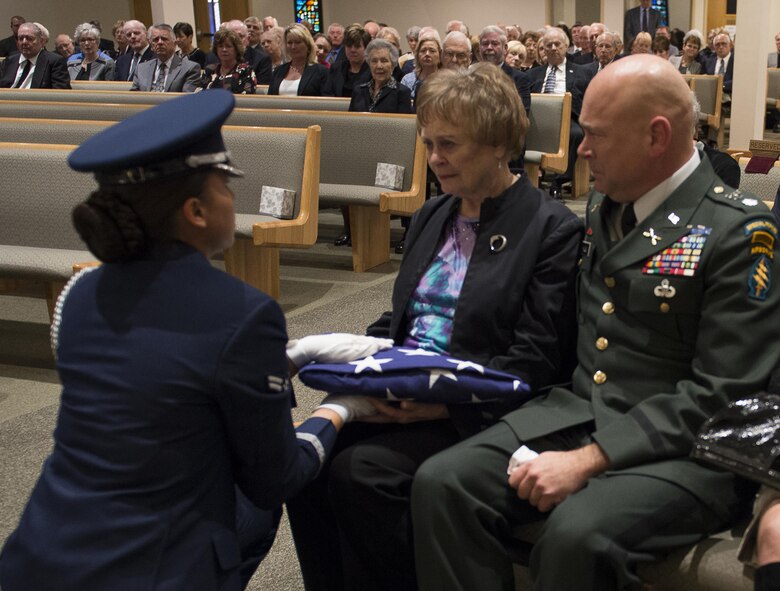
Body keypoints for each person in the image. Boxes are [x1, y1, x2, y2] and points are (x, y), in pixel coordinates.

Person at [412, 53, 780, 591]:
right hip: (581, 409)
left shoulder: (738, 233)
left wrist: (592, 459)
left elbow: (721, 395)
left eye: (596, 135)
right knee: (441, 483)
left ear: (656, 137)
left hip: (690, 450)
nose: (580, 149)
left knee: (575, 536)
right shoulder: (607, 205)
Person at [0, 89, 390, 591]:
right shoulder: (243, 313)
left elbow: (163, 381)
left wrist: (284, 359)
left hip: (44, 551)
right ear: (197, 212)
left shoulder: (81, 292)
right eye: (225, 185)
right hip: (158, 567)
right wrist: (338, 410)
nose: (233, 198)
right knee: (258, 504)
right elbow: (275, 477)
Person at [287, 62, 583, 591]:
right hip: (402, 385)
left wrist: (438, 404)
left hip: (477, 405)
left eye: (449, 144)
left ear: (498, 144)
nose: (434, 158)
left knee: (362, 475)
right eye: (428, 143)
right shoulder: (434, 213)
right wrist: (363, 364)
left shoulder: (551, 228)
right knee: (303, 470)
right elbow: (401, 318)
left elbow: (537, 358)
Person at [527, 27, 589, 199]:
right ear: (544, 50)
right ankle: (530, 180)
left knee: (576, 134)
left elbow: (587, 101)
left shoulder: (581, 72)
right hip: (538, 121)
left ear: (566, 46)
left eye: (557, 44)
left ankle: (559, 181)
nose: (553, 48)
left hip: (568, 119)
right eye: (549, 45)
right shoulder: (533, 74)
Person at [131, 24, 200, 92]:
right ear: (151, 46)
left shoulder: (189, 68)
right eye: (155, 40)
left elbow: (186, 99)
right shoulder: (141, 69)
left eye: (164, 39)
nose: (160, 42)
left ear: (174, 44)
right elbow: (133, 98)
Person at [349, 38, 411, 113]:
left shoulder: (402, 93)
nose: (379, 66)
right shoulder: (358, 91)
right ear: (369, 64)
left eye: (384, 61)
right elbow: (350, 122)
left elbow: (403, 123)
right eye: (374, 61)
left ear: (393, 64)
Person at [0, 22, 70, 88]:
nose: (24, 42)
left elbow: (60, 93)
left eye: (29, 38)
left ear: (41, 41)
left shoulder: (54, 62)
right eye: (21, 38)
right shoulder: (9, 61)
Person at [268, 24, 327, 96]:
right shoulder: (278, 71)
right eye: (290, 43)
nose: (293, 47)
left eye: (298, 42)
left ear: (308, 45)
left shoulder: (320, 72)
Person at [198, 29, 257, 94]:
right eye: (220, 46)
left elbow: (246, 97)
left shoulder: (245, 70)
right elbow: (199, 93)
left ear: (236, 49)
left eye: (228, 46)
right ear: (216, 49)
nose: (224, 49)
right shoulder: (209, 70)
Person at [400, 31, 441, 103]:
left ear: (440, 55)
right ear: (417, 55)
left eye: (432, 50)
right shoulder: (407, 80)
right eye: (423, 50)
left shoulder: (447, 81)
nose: (427, 54)